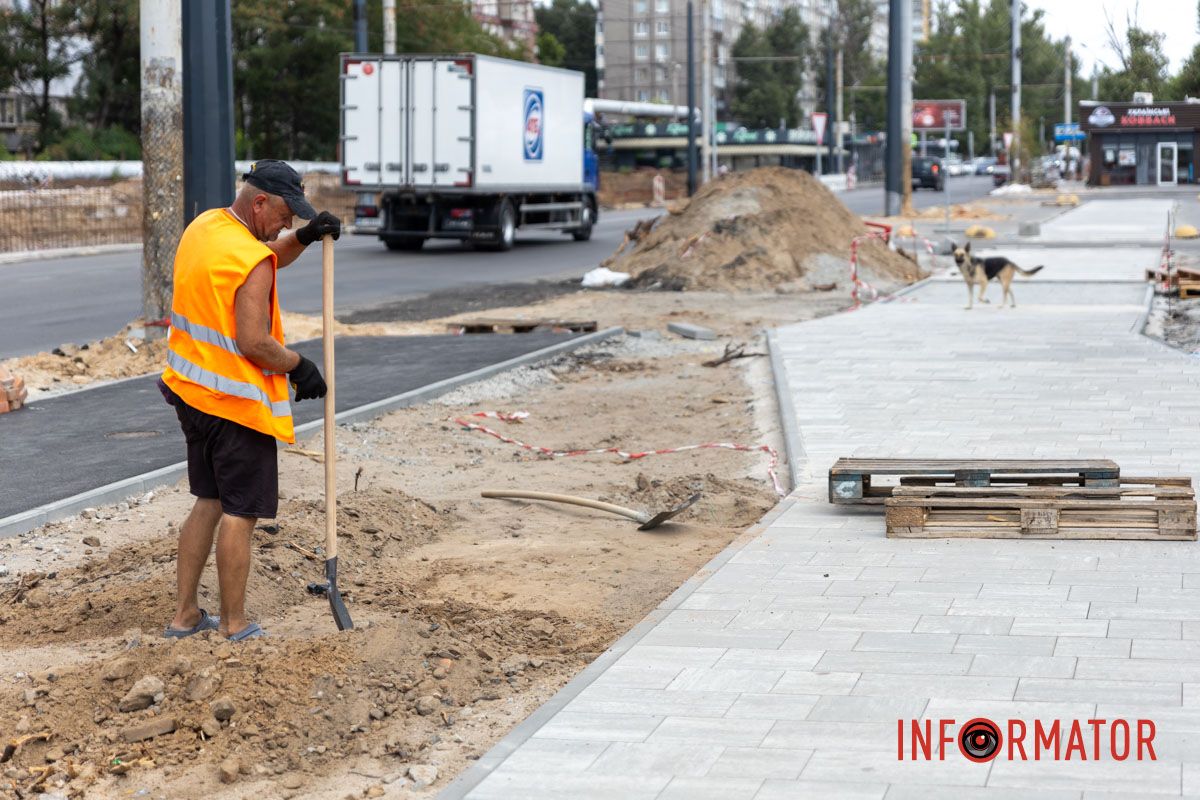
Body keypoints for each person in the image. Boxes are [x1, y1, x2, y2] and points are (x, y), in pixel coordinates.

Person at [159, 159, 341, 641]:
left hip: (190, 393)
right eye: (285, 215)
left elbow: (259, 254)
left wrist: (303, 238)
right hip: (234, 406)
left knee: (208, 501)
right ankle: (234, 624)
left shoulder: (205, 228)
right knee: (241, 512)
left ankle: (184, 617)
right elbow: (254, 342)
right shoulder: (252, 261)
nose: (287, 223)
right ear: (259, 202)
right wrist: (299, 366)